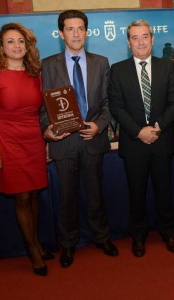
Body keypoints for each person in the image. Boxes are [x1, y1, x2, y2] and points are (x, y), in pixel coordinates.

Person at [40, 10, 118, 268]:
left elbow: (109, 104)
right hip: (63, 142)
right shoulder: (47, 65)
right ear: (61, 33)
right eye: (70, 29)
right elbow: (42, 108)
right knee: (67, 198)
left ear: (87, 31)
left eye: (80, 28)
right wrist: (48, 130)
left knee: (96, 195)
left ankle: (102, 237)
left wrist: (99, 125)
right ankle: (68, 243)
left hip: (92, 139)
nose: (76, 33)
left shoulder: (101, 62)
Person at [0, 23, 51, 276]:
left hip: (33, 138)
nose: (16, 46)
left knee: (34, 194)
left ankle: (37, 241)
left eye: (21, 41)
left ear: (27, 45)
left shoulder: (35, 72)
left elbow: (43, 111)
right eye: (10, 41)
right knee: (21, 196)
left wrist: (47, 139)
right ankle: (31, 249)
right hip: (7, 140)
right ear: (1, 46)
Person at [108, 20, 174, 257]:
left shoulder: (168, 67)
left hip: (162, 141)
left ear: (152, 39)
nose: (141, 42)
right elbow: (116, 107)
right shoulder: (117, 70)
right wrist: (139, 131)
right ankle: (138, 237)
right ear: (128, 42)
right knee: (136, 193)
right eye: (135, 38)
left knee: (164, 191)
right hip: (134, 143)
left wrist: (156, 127)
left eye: (145, 36)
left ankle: (168, 233)